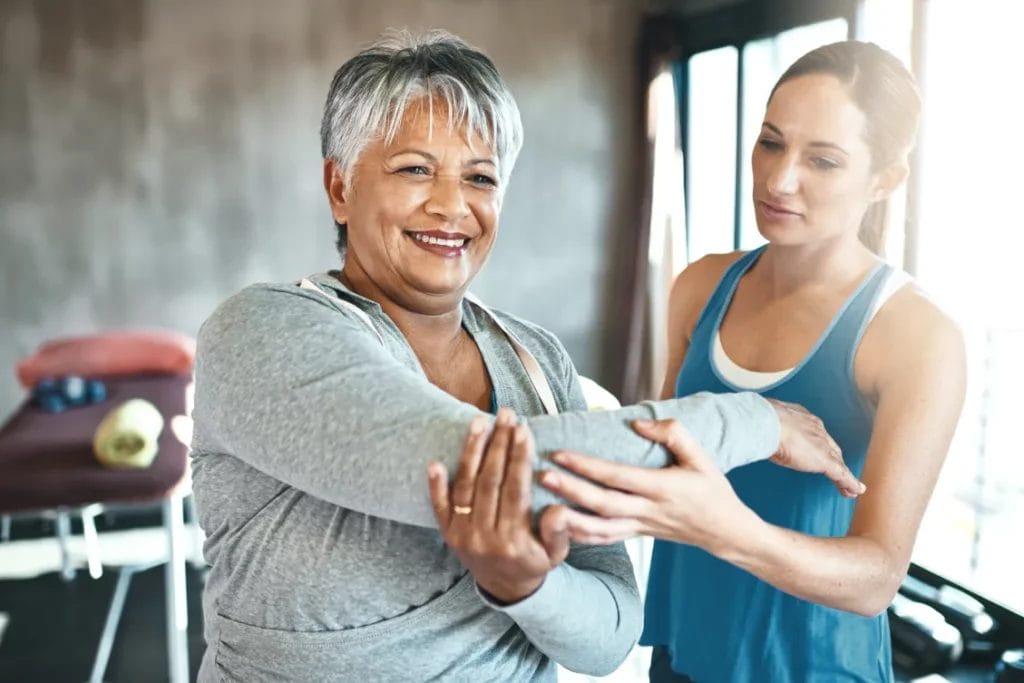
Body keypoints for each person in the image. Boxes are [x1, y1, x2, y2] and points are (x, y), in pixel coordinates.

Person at [189, 30, 864, 682]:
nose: (453, 205)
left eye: (480, 177)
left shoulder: (536, 360)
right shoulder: (258, 330)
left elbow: (611, 634)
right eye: (415, 168)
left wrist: (525, 584)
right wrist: (756, 421)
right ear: (340, 187)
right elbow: (466, 466)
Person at [538, 41, 967, 681]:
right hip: (681, 659)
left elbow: (877, 577)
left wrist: (722, 527)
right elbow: (662, 458)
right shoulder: (700, 287)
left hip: (814, 668)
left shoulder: (916, 335)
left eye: (822, 160)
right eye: (771, 142)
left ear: (884, 179)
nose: (779, 178)